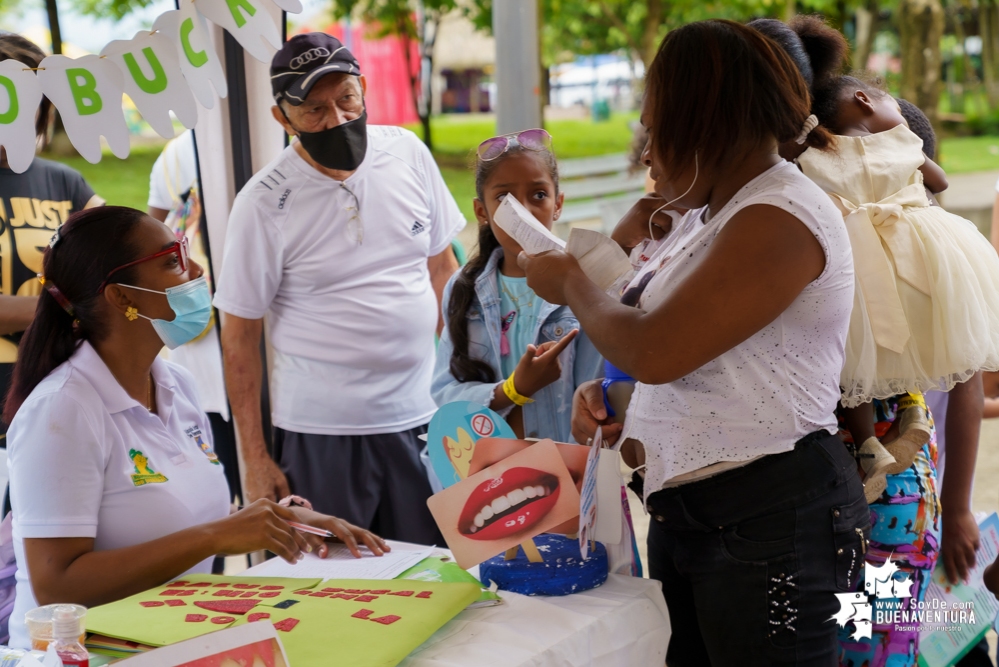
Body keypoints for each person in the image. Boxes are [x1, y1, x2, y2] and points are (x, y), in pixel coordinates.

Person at [521, 20, 866, 664]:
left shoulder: (780, 215)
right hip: (702, 517)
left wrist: (571, 278)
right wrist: (621, 395)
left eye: (653, 128)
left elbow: (657, 347)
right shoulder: (713, 212)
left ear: (705, 121)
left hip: (771, 526)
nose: (646, 152)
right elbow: (685, 350)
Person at [2, 206, 387, 649]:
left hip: (170, 638)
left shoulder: (175, 383)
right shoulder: (62, 409)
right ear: (122, 298)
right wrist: (216, 537)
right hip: (87, 654)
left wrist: (282, 521)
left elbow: (166, 517)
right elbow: (58, 587)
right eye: (172, 260)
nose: (197, 269)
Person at [758, 16, 987, 666]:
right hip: (885, 490)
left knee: (876, 643)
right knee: (881, 644)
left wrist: (961, 507)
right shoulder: (912, 241)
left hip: (878, 484)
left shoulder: (796, 193)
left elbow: (965, 383)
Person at [213, 33, 464, 545]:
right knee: (334, 588)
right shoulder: (261, 204)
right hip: (321, 434)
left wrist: (456, 392)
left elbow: (443, 269)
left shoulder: (408, 154)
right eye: (314, 110)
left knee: (435, 577)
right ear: (282, 118)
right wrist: (255, 459)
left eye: (347, 99)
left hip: (420, 418)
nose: (337, 119)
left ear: (364, 90)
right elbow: (238, 334)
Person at [432, 131, 601, 442]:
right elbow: (445, 393)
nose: (522, 211)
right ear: (481, 211)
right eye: (504, 199)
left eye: (538, 195)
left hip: (575, 473)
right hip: (497, 478)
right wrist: (513, 389)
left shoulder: (588, 281)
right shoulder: (463, 290)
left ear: (558, 204)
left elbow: (605, 390)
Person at [0, 33, 103, 435]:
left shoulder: (64, 181)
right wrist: (74, 310)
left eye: (31, 106)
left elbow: (121, 265)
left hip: (56, 399)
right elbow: (100, 299)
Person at [147, 130, 239, 501]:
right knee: (212, 497)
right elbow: (148, 243)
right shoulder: (176, 155)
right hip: (199, 369)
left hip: (240, 369)